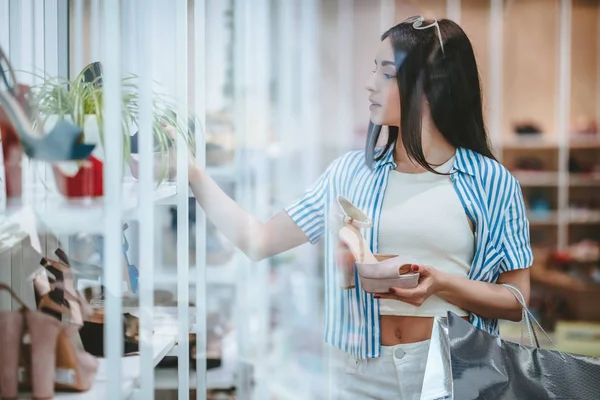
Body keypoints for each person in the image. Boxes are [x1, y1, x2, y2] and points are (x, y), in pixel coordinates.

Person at [180, 16, 533, 400]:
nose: (370, 83)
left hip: (455, 371)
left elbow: (515, 301)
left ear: (429, 83)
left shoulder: (490, 181)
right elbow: (259, 241)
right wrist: (193, 174)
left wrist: (442, 283)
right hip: (364, 374)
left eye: (386, 73)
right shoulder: (349, 174)